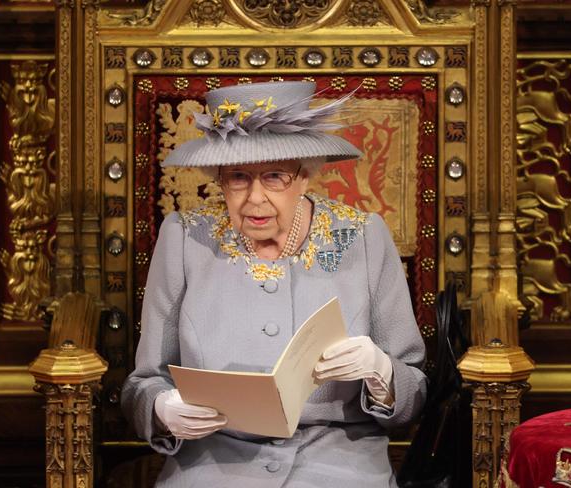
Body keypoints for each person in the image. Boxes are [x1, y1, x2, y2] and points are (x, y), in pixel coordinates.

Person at [122, 80, 427, 487]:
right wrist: (162, 409)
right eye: (238, 178)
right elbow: (143, 383)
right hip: (213, 462)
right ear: (218, 179)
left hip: (339, 461)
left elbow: (414, 394)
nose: (255, 198)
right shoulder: (185, 239)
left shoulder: (361, 237)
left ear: (305, 177)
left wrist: (381, 372)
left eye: (274, 177)